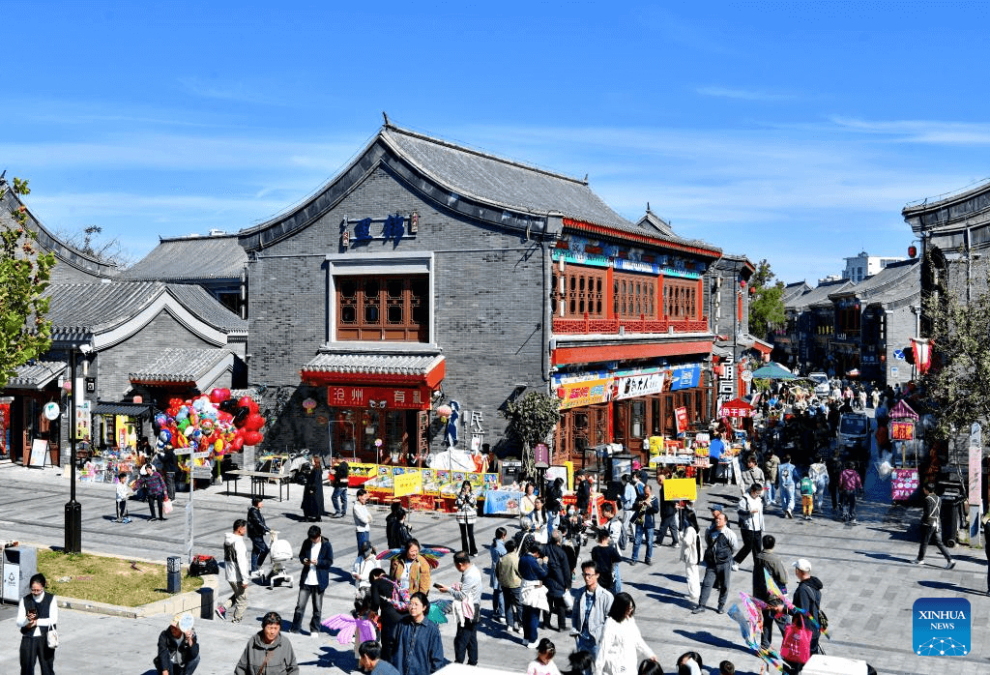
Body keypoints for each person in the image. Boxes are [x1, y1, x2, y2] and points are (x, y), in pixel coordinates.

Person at [436, 551, 482, 665]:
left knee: (461, 639)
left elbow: (462, 595)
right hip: (474, 608)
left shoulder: (469, 575)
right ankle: (472, 662)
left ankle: (459, 663)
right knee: (471, 638)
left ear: (460, 564)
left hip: (468, 610)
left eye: (456, 565)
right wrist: (452, 588)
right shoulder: (473, 569)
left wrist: (448, 590)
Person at [593, 592, 656, 675]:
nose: (630, 611)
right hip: (616, 668)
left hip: (630, 665)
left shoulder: (630, 620)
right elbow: (603, 649)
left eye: (631, 608)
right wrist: (598, 671)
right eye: (628, 609)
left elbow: (637, 640)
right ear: (620, 609)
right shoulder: (610, 625)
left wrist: (649, 653)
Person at [778, 559, 824, 672]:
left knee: (793, 661)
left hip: (804, 633)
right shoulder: (814, 585)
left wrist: (783, 609)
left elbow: (802, 611)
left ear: (799, 571)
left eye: (796, 569)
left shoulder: (803, 589)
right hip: (814, 630)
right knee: (811, 662)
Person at [692, 509, 738, 614]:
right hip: (712, 564)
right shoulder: (710, 530)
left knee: (725, 585)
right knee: (706, 584)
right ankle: (701, 605)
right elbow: (708, 541)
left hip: (724, 564)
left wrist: (726, 556)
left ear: (725, 521)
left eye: (720, 519)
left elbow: (734, 547)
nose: (718, 521)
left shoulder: (730, 534)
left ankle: (721, 606)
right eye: (717, 519)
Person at [290, 524, 333, 634]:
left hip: (319, 582)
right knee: (300, 606)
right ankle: (295, 628)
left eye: (314, 539)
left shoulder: (326, 545)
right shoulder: (307, 542)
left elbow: (329, 562)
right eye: (311, 538)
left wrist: (319, 562)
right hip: (306, 581)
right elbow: (301, 556)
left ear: (319, 536)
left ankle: (314, 629)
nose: (312, 541)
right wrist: (304, 560)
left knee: (317, 608)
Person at [390, 592, 445, 675]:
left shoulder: (432, 629)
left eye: (416, 604)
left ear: (424, 607)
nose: (412, 607)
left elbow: (437, 657)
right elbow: (392, 646)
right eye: (411, 604)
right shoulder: (402, 624)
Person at [570, 561, 614, 659]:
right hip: (582, 640)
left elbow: (610, 621)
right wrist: (575, 630)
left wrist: (604, 638)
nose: (586, 578)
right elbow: (575, 613)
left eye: (589, 575)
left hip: (597, 642)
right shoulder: (580, 593)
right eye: (584, 575)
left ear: (597, 575)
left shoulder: (606, 596)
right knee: (584, 671)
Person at [17, 573, 58, 675]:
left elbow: (53, 619)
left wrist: (37, 621)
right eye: (33, 590)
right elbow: (19, 622)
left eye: (38, 590)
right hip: (29, 638)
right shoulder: (25, 600)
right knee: (26, 668)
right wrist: (27, 620)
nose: (35, 592)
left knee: (47, 668)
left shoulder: (51, 599)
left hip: (46, 638)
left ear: (43, 586)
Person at [753, 534, 789, 650]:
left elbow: (756, 578)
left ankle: (764, 646)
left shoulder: (758, 557)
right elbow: (783, 579)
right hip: (775, 597)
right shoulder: (775, 559)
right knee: (784, 622)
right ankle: (791, 646)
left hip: (762, 596)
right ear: (773, 544)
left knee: (767, 621)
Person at [234, 611, 298, 675]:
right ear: (263, 627)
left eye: (275, 628)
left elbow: (293, 669)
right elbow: (241, 669)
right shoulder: (253, 643)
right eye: (270, 628)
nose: (272, 632)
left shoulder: (285, 643)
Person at [913, 483, 956, 569]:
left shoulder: (927, 499)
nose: (923, 490)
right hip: (938, 523)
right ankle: (950, 560)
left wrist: (923, 521)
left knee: (924, 542)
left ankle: (920, 559)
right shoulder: (939, 498)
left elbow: (928, 513)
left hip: (929, 523)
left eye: (924, 489)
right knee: (939, 543)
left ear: (927, 490)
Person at [217, 519, 250, 623]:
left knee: (238, 594)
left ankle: (222, 609)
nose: (245, 530)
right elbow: (242, 562)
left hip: (230, 574)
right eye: (244, 528)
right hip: (237, 576)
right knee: (242, 600)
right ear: (239, 529)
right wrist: (244, 580)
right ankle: (236, 621)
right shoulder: (238, 542)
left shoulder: (228, 540)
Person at [369, 569, 405, 662]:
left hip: (389, 616)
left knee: (387, 643)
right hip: (404, 614)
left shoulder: (376, 582)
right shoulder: (395, 580)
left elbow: (376, 602)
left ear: (374, 576)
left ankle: (387, 667)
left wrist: (373, 612)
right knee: (400, 642)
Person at [519, 540, 550, 648]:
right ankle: (532, 640)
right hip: (534, 589)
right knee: (533, 616)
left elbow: (519, 571)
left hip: (524, 588)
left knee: (525, 615)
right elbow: (544, 573)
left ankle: (526, 638)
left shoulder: (522, 558)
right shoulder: (533, 561)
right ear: (536, 551)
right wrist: (545, 563)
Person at [544, 530, 572, 631]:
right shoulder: (561, 552)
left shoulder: (545, 549)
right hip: (559, 582)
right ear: (559, 539)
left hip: (546, 581)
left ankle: (546, 624)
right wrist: (567, 584)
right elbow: (566, 570)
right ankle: (561, 626)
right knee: (560, 605)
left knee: (547, 604)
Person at [733, 483, 765, 568]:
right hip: (747, 527)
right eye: (756, 493)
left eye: (759, 493)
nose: (758, 495)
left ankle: (758, 566)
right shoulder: (744, 499)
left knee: (758, 548)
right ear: (752, 491)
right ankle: (736, 560)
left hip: (757, 527)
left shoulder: (759, 499)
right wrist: (749, 512)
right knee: (748, 546)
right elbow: (739, 511)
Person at [496, 538, 523, 634]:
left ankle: (510, 625)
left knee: (508, 605)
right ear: (515, 548)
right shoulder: (515, 558)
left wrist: (501, 580)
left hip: (504, 584)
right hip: (515, 585)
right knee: (519, 605)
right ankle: (520, 626)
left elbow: (497, 572)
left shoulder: (502, 558)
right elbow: (520, 572)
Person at [631, 484, 659, 565]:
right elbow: (634, 505)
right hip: (640, 520)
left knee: (649, 542)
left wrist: (650, 505)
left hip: (649, 523)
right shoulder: (640, 497)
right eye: (645, 493)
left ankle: (648, 558)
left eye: (648, 493)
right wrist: (640, 504)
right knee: (637, 541)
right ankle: (634, 558)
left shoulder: (654, 499)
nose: (646, 495)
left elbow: (656, 510)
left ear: (651, 491)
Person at [679, 510, 702, 605]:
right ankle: (697, 592)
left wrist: (681, 536)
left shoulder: (689, 529)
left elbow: (687, 542)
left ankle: (693, 594)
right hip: (697, 555)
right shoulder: (696, 528)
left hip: (691, 556)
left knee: (690, 576)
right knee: (695, 575)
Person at [590, 529, 622, 595]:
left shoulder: (595, 549)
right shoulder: (611, 549)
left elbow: (594, 560)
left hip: (598, 576)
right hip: (608, 576)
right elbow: (619, 558)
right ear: (605, 538)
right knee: (609, 593)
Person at [247, 497, 271, 575]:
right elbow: (258, 522)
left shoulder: (256, 510)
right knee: (265, 550)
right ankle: (257, 566)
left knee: (256, 551)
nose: (262, 503)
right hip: (255, 534)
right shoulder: (253, 511)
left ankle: (254, 569)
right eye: (260, 502)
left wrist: (265, 529)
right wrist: (267, 529)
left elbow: (260, 522)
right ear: (256, 503)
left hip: (257, 533)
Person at [454, 480, 479, 556]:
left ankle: (473, 551)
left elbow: (474, 503)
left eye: (468, 486)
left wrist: (468, 496)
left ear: (470, 487)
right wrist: (462, 495)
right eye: (465, 486)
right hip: (461, 516)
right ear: (462, 487)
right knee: (463, 534)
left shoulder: (472, 494)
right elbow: (459, 504)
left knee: (470, 534)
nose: (466, 488)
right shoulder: (459, 494)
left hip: (470, 516)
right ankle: (465, 551)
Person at [654, 474, 679, 548]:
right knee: (672, 526)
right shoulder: (668, 485)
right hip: (671, 511)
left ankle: (659, 542)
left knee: (663, 527)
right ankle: (675, 542)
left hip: (667, 511)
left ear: (660, 480)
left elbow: (669, 499)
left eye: (657, 480)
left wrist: (674, 503)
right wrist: (675, 503)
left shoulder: (665, 487)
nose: (657, 482)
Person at [490, 526, 508, 623]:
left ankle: (495, 611)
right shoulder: (501, 547)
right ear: (503, 536)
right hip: (501, 572)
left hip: (494, 571)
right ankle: (502, 614)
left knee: (495, 592)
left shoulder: (493, 545)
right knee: (501, 593)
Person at [301, 456, 325, 522]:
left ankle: (307, 518)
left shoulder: (316, 470)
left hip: (312, 489)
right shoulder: (318, 468)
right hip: (317, 490)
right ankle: (318, 517)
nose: (311, 461)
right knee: (317, 504)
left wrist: (311, 488)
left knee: (307, 503)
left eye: (312, 460)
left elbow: (315, 480)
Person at [619, 475, 637, 550]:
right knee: (632, 524)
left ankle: (624, 541)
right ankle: (636, 538)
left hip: (628, 508)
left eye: (622, 480)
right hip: (632, 507)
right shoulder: (631, 486)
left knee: (624, 526)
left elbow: (626, 498)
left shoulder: (627, 487)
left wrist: (619, 497)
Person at [777, 454, 797, 519]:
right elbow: (795, 475)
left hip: (782, 484)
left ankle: (785, 511)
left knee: (784, 497)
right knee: (791, 497)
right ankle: (789, 509)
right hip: (790, 483)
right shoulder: (792, 466)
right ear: (790, 460)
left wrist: (776, 483)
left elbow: (777, 475)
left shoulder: (779, 467)